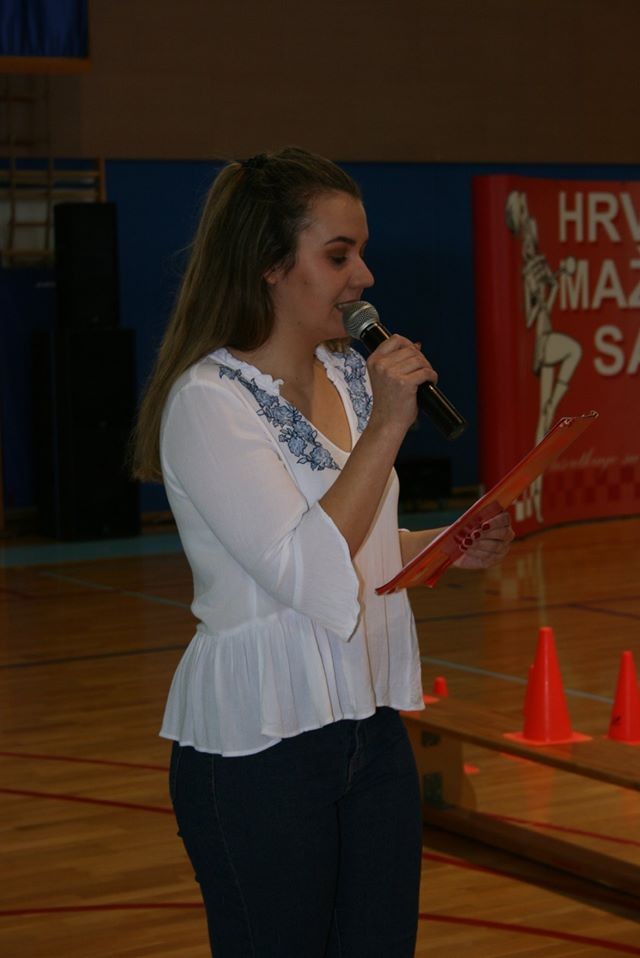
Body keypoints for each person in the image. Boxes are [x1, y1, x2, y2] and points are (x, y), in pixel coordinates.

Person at [132, 146, 513, 958]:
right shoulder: (209, 404)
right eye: (338, 255)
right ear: (270, 266)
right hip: (259, 748)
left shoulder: (347, 377)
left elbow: (362, 541)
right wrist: (387, 426)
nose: (364, 276)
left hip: (366, 730)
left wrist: (444, 543)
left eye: (361, 253)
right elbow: (307, 568)